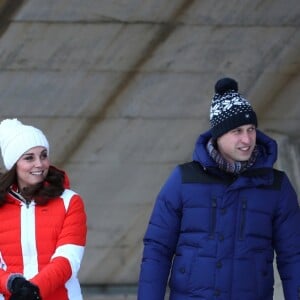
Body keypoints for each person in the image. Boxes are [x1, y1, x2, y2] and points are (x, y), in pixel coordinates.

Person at [138, 77, 300, 300]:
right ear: (218, 135)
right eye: (237, 131)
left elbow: (294, 256)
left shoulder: (276, 186)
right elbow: (157, 249)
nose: (247, 139)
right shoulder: (183, 180)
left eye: (251, 129)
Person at [0, 118, 87, 300]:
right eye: (29, 158)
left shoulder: (70, 201)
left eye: (43, 155)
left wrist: (33, 290)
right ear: (14, 164)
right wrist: (13, 284)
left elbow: (68, 260)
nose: (39, 164)